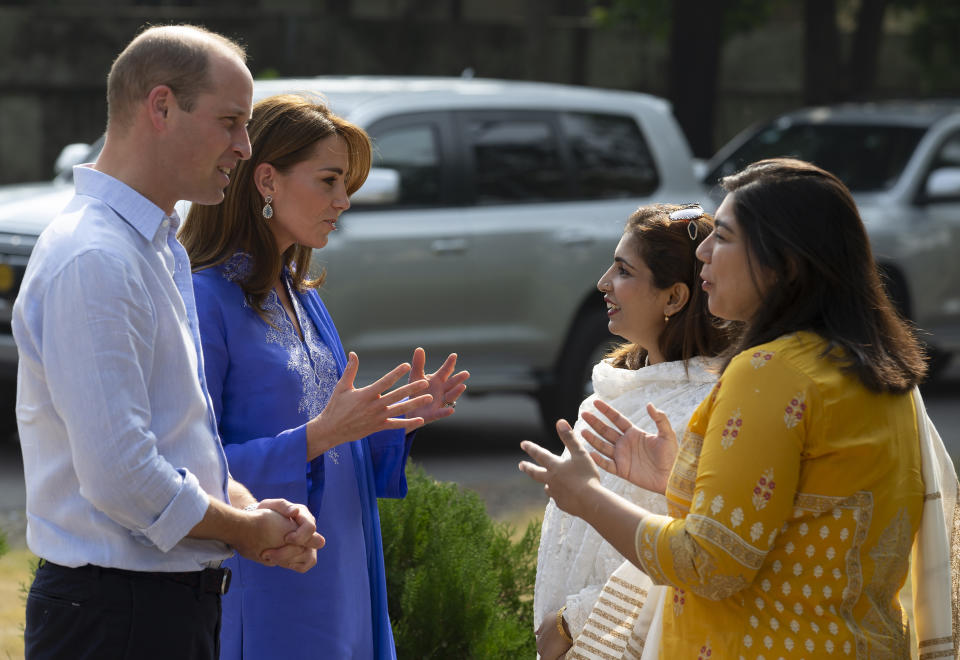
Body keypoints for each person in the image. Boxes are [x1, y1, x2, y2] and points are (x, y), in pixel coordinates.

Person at [520, 158, 959, 659]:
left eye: (723, 238)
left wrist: (587, 497)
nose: (703, 251)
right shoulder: (878, 372)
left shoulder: (771, 374)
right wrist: (677, 484)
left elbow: (708, 564)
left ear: (784, 263)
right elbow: (801, 521)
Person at [13, 26, 325, 660]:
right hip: (115, 617)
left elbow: (178, 437)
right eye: (231, 122)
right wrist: (243, 528)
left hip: (146, 609)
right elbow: (124, 477)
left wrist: (243, 505)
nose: (244, 147)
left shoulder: (152, 246)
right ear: (160, 107)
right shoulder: (95, 256)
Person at [179, 94, 470, 660]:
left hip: (342, 560)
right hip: (270, 569)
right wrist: (322, 435)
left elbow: (334, 439)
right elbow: (189, 465)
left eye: (347, 186)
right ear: (267, 180)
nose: (343, 201)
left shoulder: (297, 293)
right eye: (330, 180)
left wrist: (393, 420)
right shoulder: (203, 297)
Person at [533, 204, 728, 659]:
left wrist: (573, 620)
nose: (603, 283)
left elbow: (684, 552)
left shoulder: (704, 409)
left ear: (674, 298)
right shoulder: (614, 388)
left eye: (623, 271)